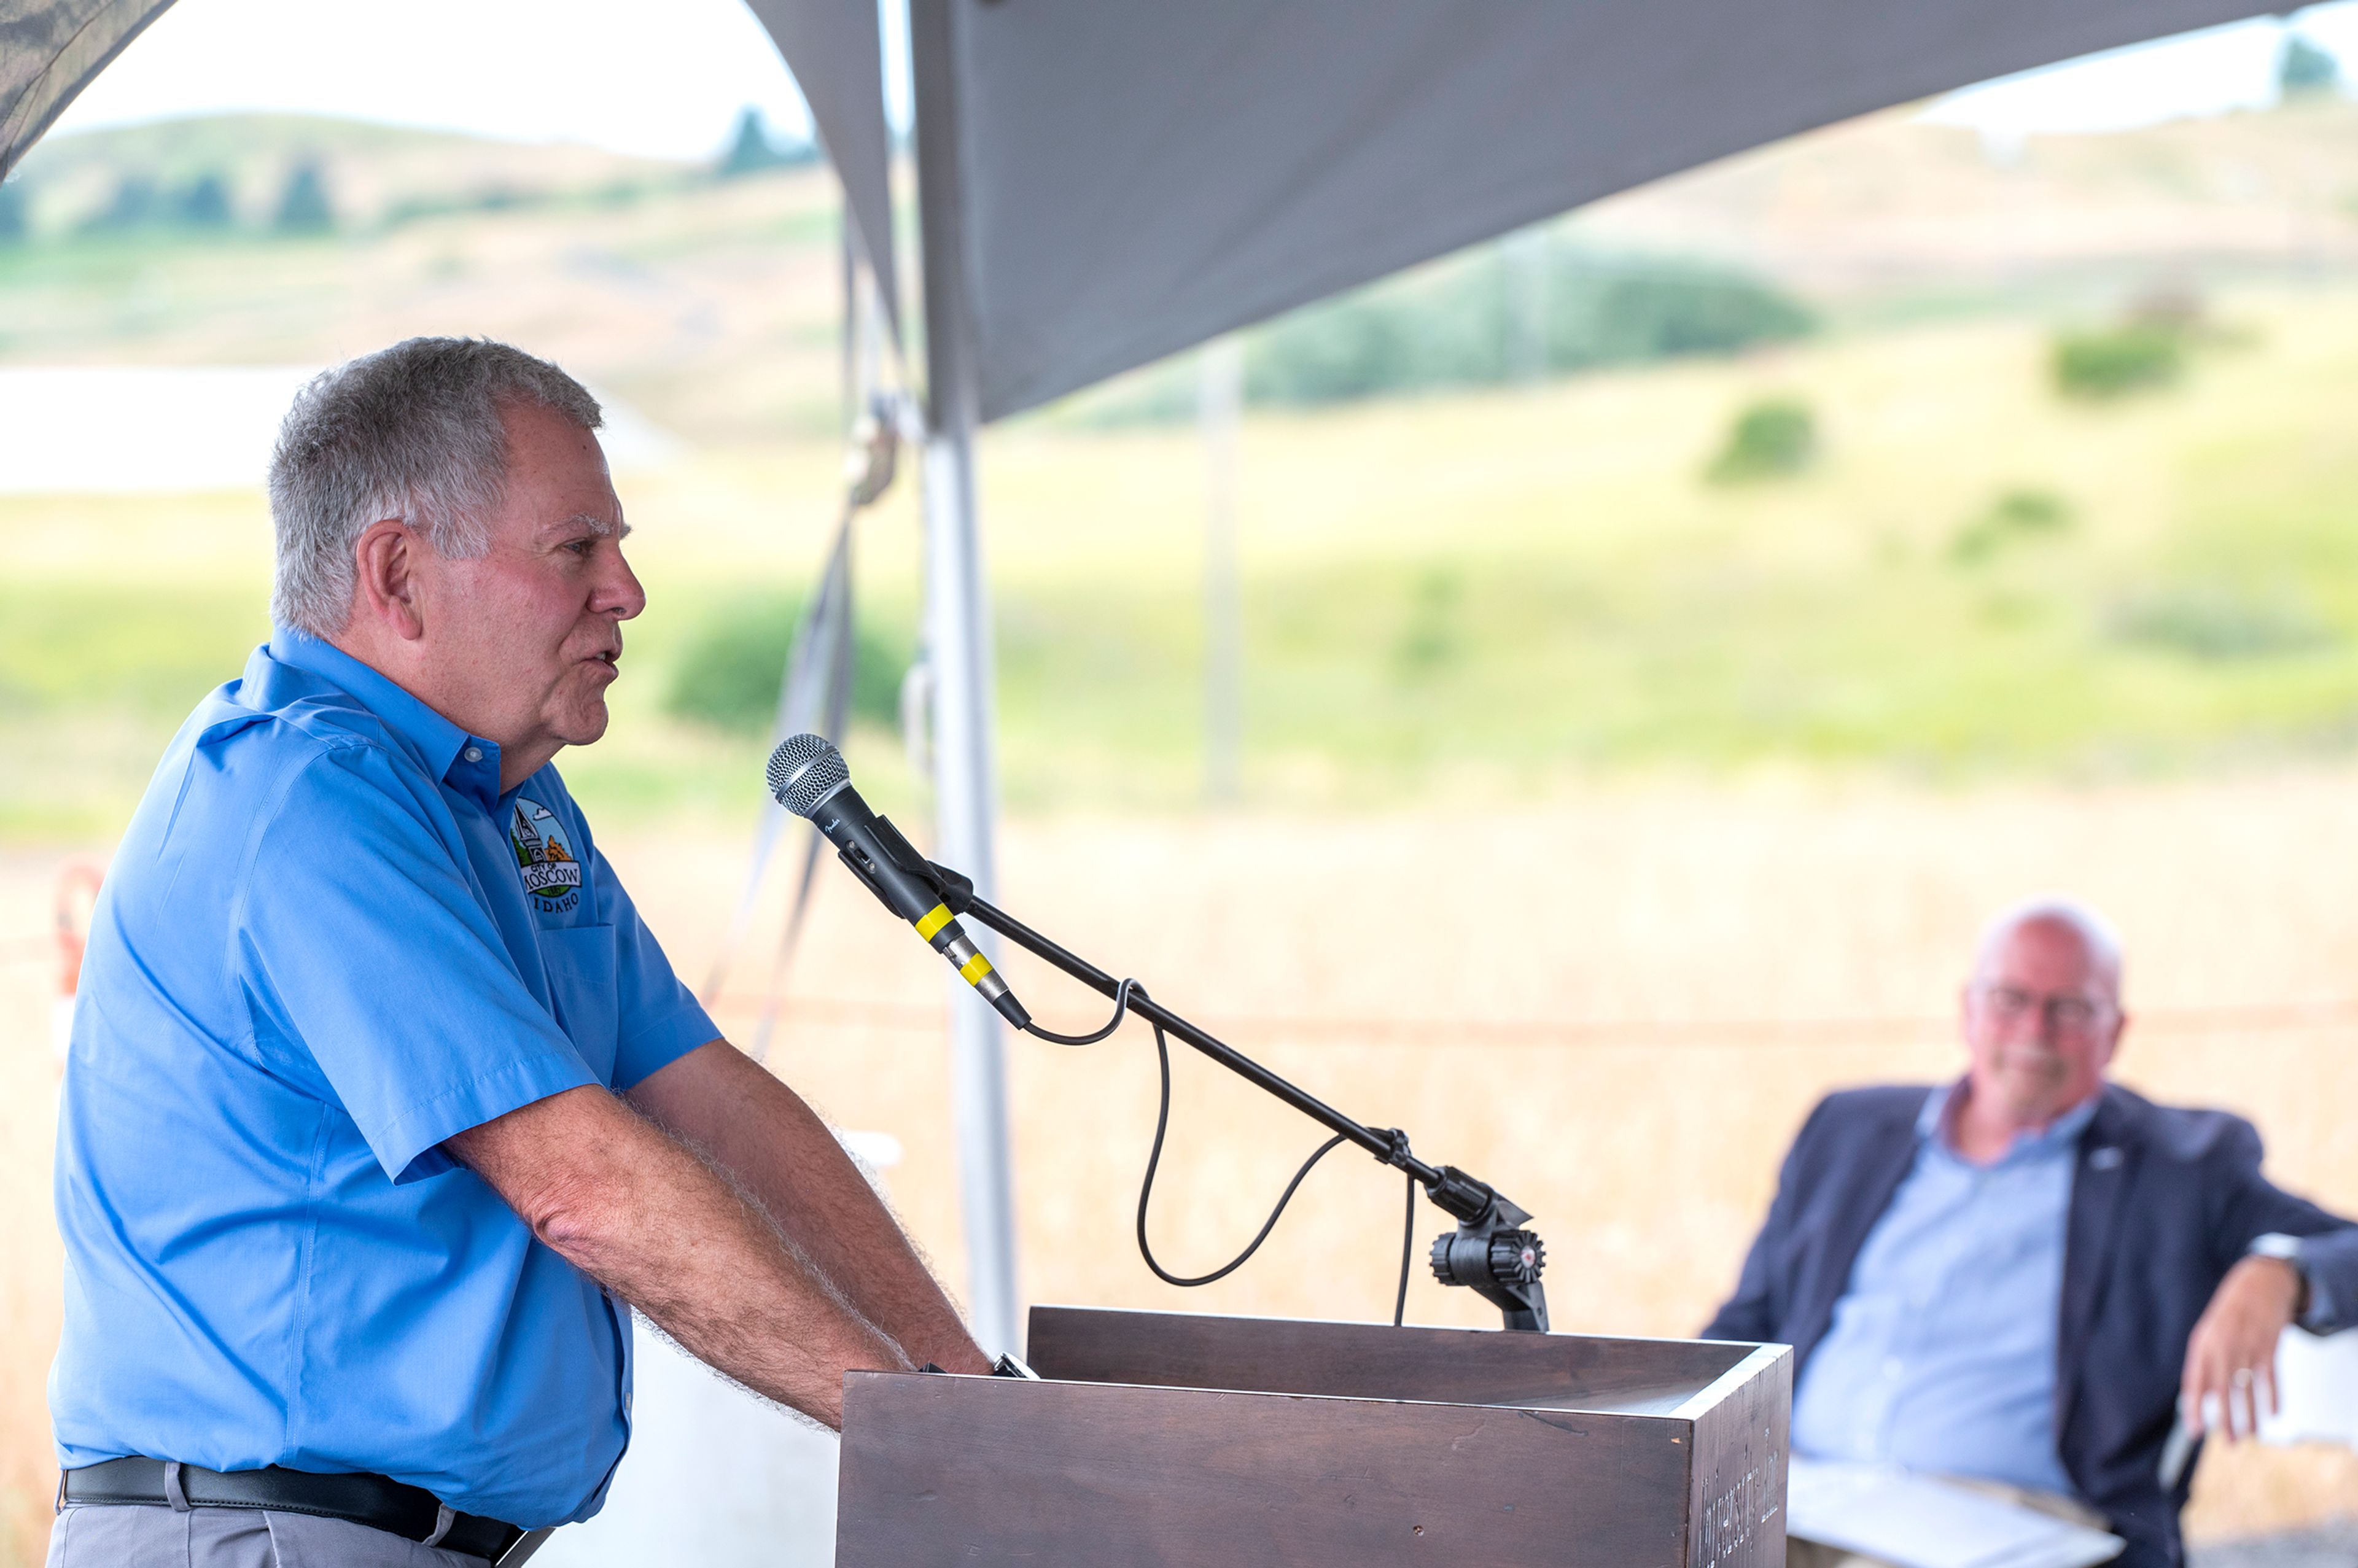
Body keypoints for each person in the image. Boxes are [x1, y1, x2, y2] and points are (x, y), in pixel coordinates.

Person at [47, 338, 992, 1568]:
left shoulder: (506, 798)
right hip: (266, 1533)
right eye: (576, 549)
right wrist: (932, 1432)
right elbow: (582, 1184)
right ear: (399, 574)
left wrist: (968, 1386)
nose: (629, 591)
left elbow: (704, 1097)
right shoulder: (307, 802)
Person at [1705, 897, 2358, 1568]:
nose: (2035, 1031)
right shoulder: (1846, 1129)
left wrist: (2283, 1270)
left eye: (2070, 1009)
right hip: (1796, 1497)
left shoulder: (2182, 1165)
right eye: (2010, 998)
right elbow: (1743, 1325)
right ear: (1968, 1008)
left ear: (2117, 1029)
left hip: (2011, 1526)